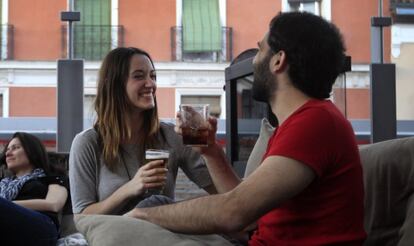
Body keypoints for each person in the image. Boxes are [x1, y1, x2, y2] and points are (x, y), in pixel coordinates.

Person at [125, 12, 367, 245]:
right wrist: (210, 151)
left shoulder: (315, 123)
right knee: (154, 204)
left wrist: (146, 216)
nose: (253, 61)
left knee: (150, 207)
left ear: (278, 60)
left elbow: (233, 212)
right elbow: (249, 212)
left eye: (260, 49)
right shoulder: (298, 124)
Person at [69, 47, 221, 216]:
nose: (150, 84)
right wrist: (129, 189)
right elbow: (82, 215)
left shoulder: (170, 135)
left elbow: (224, 194)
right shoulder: (87, 143)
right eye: (139, 76)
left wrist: (210, 150)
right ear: (114, 84)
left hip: (158, 236)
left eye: (153, 76)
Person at [0, 132, 68, 246]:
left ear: (33, 151)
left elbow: (53, 204)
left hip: (42, 228)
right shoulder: (3, 183)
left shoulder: (51, 177)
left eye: (16, 148)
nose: (8, 153)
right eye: (7, 149)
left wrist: (8, 205)